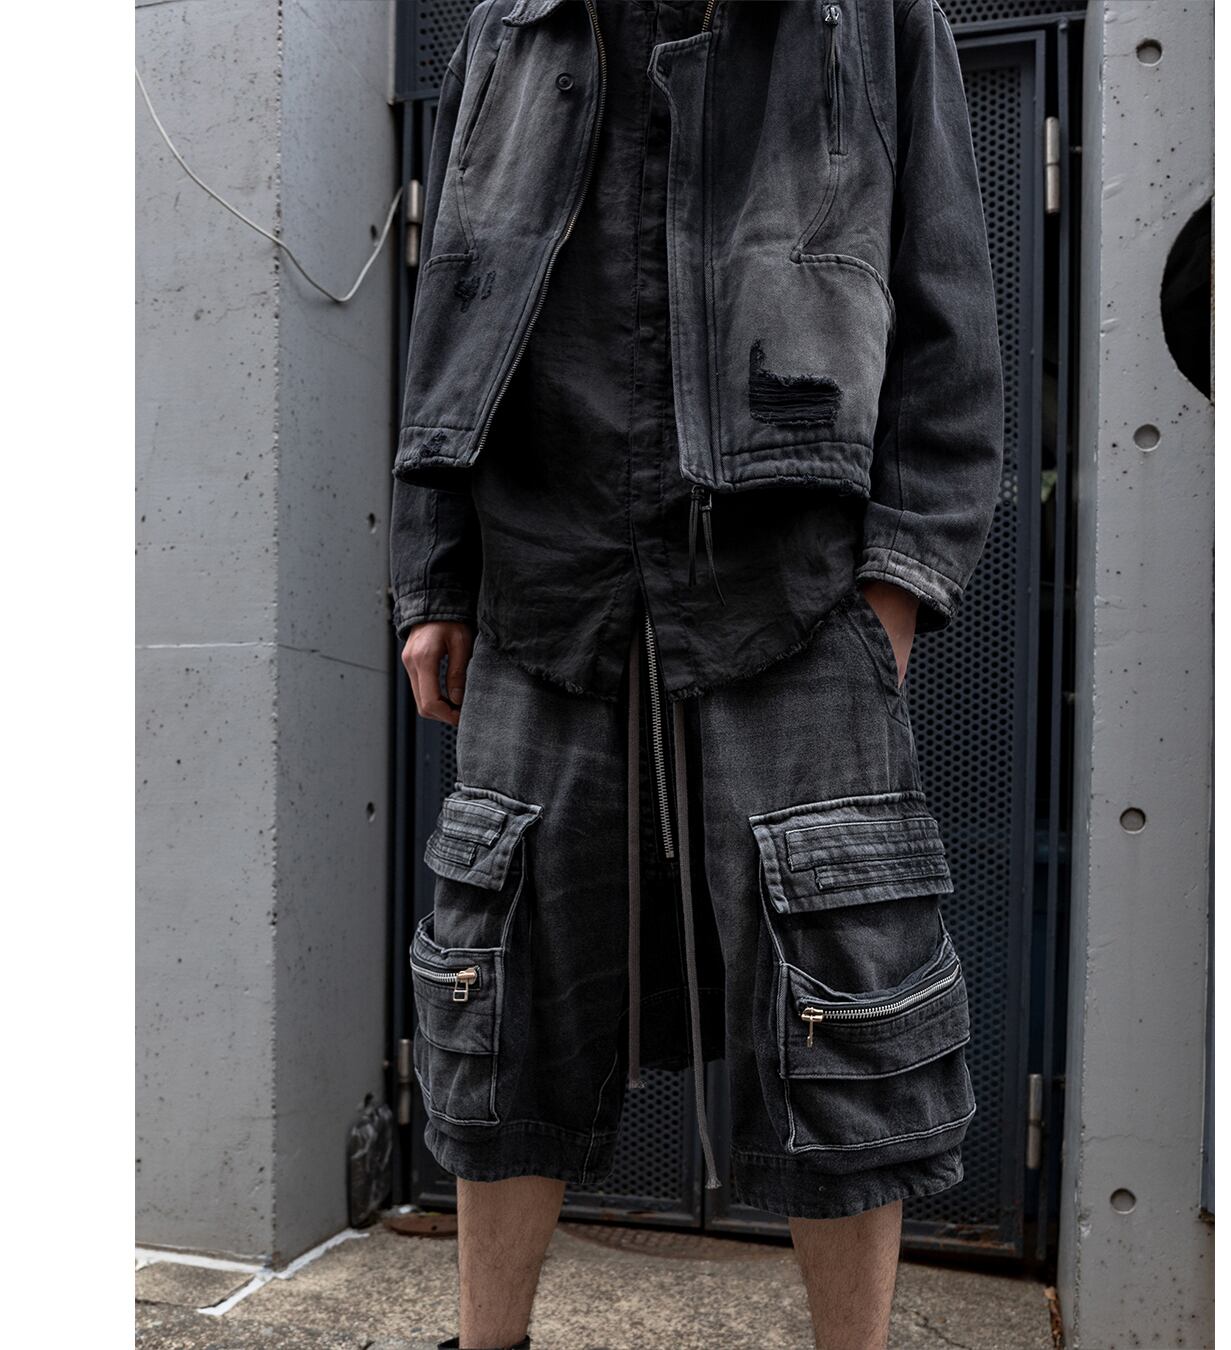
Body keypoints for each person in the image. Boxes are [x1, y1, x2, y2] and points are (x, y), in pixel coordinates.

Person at [389, 1, 1003, 1346]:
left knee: (845, 1003)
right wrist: (434, 572)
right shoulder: (510, 27)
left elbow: (946, 306)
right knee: (498, 990)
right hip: (544, 567)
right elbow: (457, 303)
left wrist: (898, 582)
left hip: (794, 573)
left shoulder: (872, 17)